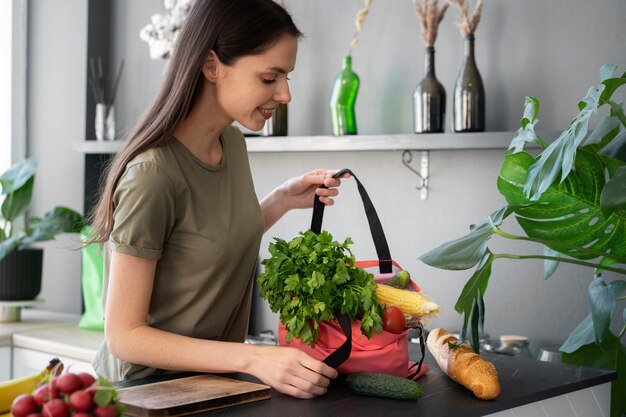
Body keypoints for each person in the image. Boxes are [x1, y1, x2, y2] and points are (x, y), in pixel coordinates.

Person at [88, 0, 344, 399]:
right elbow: (124, 336)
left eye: (287, 77)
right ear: (211, 66)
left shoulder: (231, 142)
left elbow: (207, 244)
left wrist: (281, 200)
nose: (285, 93)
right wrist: (253, 358)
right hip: (143, 397)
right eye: (269, 77)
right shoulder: (153, 174)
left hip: (206, 389)